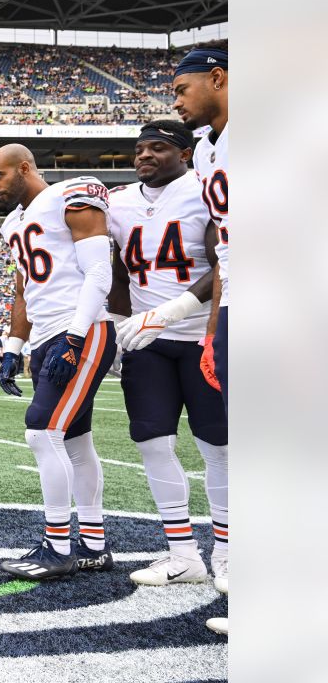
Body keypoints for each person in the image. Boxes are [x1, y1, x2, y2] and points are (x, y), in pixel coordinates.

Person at [106, 120, 228, 590]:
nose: (145, 155)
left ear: (184, 153)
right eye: (140, 149)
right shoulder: (117, 204)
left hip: (203, 336)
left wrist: (173, 313)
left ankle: (229, 553)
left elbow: (225, 263)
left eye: (158, 147)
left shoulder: (204, 190)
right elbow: (115, 271)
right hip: (147, 343)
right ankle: (182, 555)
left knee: (218, 447)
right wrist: (117, 323)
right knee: (153, 444)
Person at [0, 143, 118, 581]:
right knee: (76, 441)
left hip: (79, 328)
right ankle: (93, 545)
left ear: (24, 168)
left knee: (42, 432)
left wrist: (75, 337)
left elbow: (100, 273)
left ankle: (58, 546)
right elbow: (24, 290)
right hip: (46, 334)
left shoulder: (72, 194)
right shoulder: (14, 222)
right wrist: (12, 348)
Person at [171, 46, 230, 636]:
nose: (177, 99)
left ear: (218, 77)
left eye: (183, 87)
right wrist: (212, 326)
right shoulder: (211, 147)